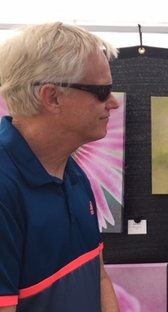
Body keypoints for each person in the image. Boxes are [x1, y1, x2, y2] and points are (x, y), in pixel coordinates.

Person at [0, 22, 120, 311]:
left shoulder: (72, 171)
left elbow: (98, 275)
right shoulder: (4, 185)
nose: (113, 103)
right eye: (102, 91)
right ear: (52, 97)